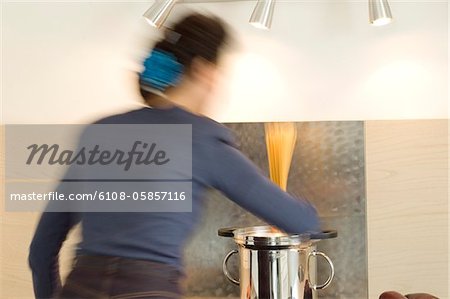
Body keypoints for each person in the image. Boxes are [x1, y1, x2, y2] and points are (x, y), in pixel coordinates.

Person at [29, 13, 320, 299]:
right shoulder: (203, 138)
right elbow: (299, 220)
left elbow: (41, 250)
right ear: (203, 71)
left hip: (78, 288)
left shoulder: (99, 132)